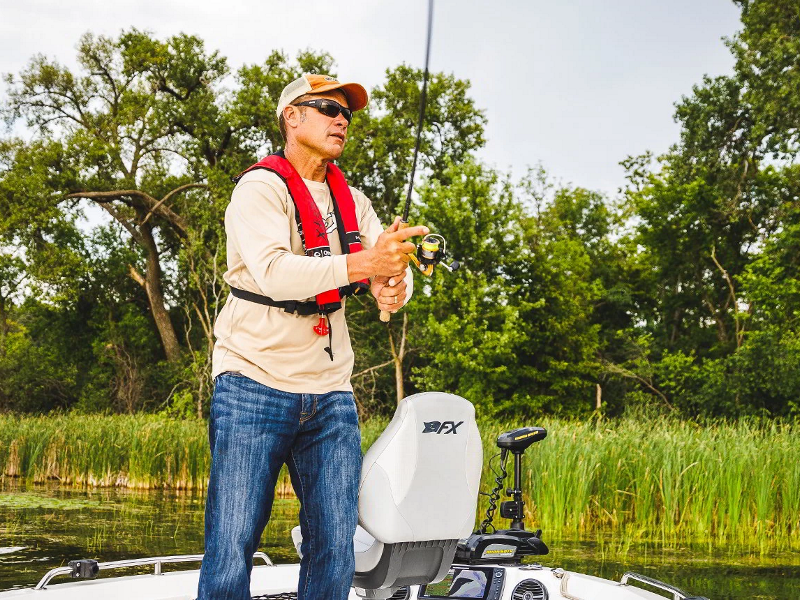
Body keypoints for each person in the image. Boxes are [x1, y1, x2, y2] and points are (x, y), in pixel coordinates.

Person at [196, 73, 428, 600]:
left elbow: (387, 265)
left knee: (335, 544)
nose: (341, 119)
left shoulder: (355, 200)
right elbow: (275, 273)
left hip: (330, 392)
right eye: (328, 108)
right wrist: (367, 265)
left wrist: (394, 286)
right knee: (232, 543)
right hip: (252, 380)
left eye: (346, 112)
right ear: (292, 117)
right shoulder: (259, 189)